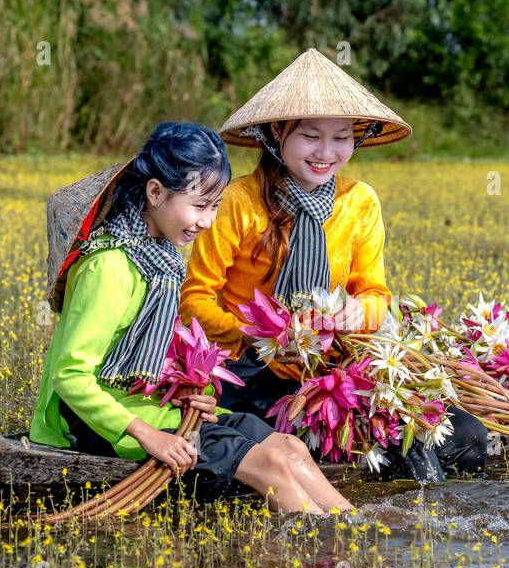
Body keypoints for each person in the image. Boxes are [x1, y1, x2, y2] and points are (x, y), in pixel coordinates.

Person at [180, 50, 488, 480]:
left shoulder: (359, 203)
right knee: (297, 443)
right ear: (275, 134)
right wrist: (258, 336)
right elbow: (195, 297)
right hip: (250, 370)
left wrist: (360, 312)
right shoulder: (239, 203)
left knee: (468, 439)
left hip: (332, 365)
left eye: (341, 137)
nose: (326, 152)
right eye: (310, 136)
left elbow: (376, 294)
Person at [29, 121, 353, 514]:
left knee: (290, 448)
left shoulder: (161, 260)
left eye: (215, 207)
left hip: (146, 405)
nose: (206, 221)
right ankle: (325, 557)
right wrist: (150, 436)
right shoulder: (109, 267)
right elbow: (70, 376)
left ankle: (358, 530)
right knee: (270, 467)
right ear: (155, 192)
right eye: (199, 205)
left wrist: (183, 390)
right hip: (96, 423)